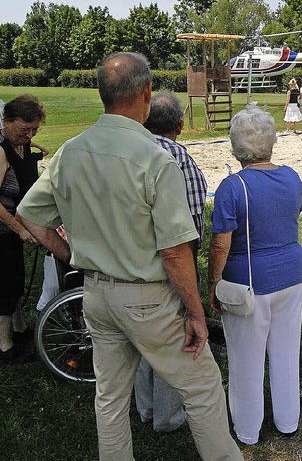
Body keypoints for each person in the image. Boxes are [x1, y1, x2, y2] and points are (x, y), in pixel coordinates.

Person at [17, 52, 242, 461]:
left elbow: (29, 213)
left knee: (110, 396)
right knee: (203, 387)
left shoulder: (71, 151)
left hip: (97, 295)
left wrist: (70, 254)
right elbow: (175, 251)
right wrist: (195, 312)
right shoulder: (156, 159)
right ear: (146, 93)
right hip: (147, 297)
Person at [208, 106, 302, 445]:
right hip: (291, 275)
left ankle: (247, 431)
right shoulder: (292, 177)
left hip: (249, 282)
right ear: (271, 142)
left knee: (246, 360)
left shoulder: (232, 187)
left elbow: (220, 245)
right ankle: (287, 420)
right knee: (285, 352)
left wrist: (212, 284)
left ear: (236, 146)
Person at [134, 91, 208, 434]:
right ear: (180, 125)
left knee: (140, 342)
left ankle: (145, 408)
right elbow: (191, 229)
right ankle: (167, 416)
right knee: (174, 344)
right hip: (168, 268)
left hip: (127, 268)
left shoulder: (128, 151)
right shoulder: (180, 159)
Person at [0, 94, 45, 363]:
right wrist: (19, 229)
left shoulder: (23, 145)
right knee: (5, 285)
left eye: (34, 130)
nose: (29, 135)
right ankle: (4, 347)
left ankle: (19, 329)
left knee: (15, 279)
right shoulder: (1, 151)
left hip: (15, 226)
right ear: (6, 122)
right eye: (24, 129)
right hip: (3, 230)